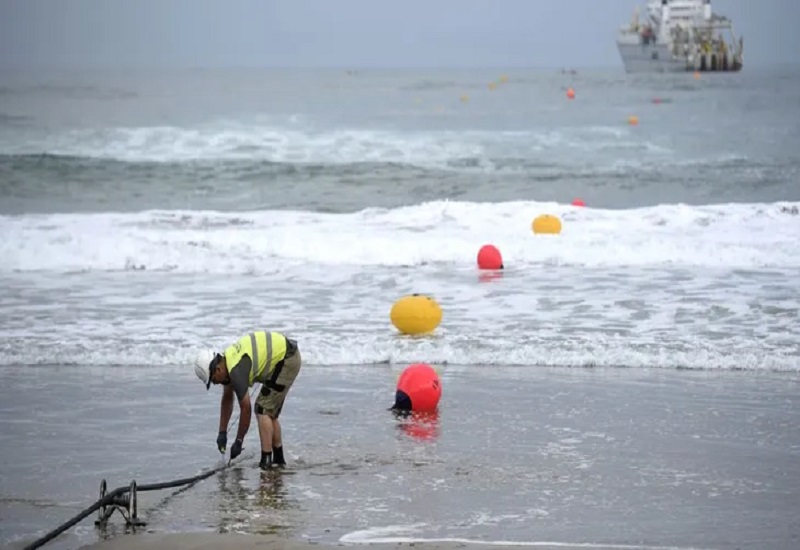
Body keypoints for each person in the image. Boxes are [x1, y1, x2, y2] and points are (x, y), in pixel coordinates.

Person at [193, 331, 302, 470]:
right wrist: (222, 433)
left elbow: (246, 409)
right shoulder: (228, 362)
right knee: (268, 411)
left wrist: (239, 441)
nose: (215, 383)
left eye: (213, 380)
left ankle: (266, 462)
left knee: (262, 409)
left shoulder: (235, 371)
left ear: (218, 369)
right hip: (284, 357)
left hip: (287, 359)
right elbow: (227, 399)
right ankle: (279, 460)